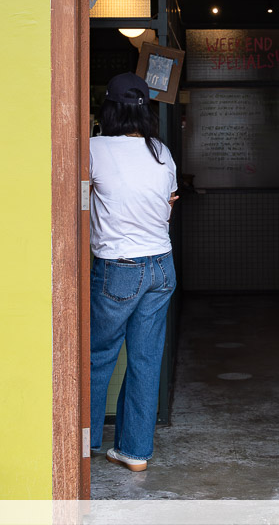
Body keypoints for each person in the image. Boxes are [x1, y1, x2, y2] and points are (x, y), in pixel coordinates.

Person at [89, 72, 179, 472]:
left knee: (97, 356)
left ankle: (85, 442)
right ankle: (135, 451)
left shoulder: (93, 149)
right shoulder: (160, 151)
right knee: (145, 359)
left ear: (109, 109)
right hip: (161, 265)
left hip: (119, 267)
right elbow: (168, 207)